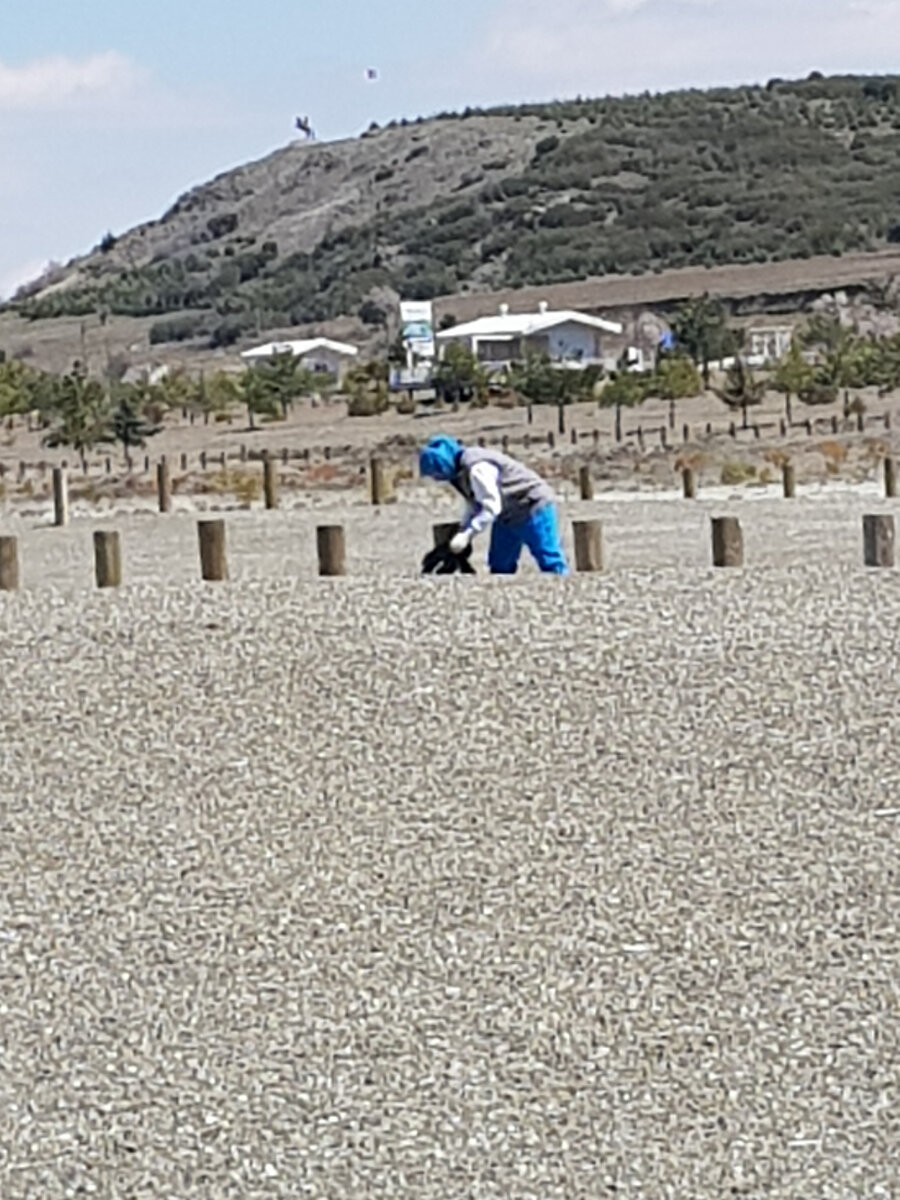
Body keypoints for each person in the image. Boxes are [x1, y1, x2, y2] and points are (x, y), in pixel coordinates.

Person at [418, 435, 569, 575]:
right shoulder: (460, 472)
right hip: (507, 513)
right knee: (500, 567)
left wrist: (468, 533)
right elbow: (474, 504)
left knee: (550, 562)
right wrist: (463, 530)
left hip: (532, 506)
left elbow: (491, 506)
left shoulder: (477, 468)